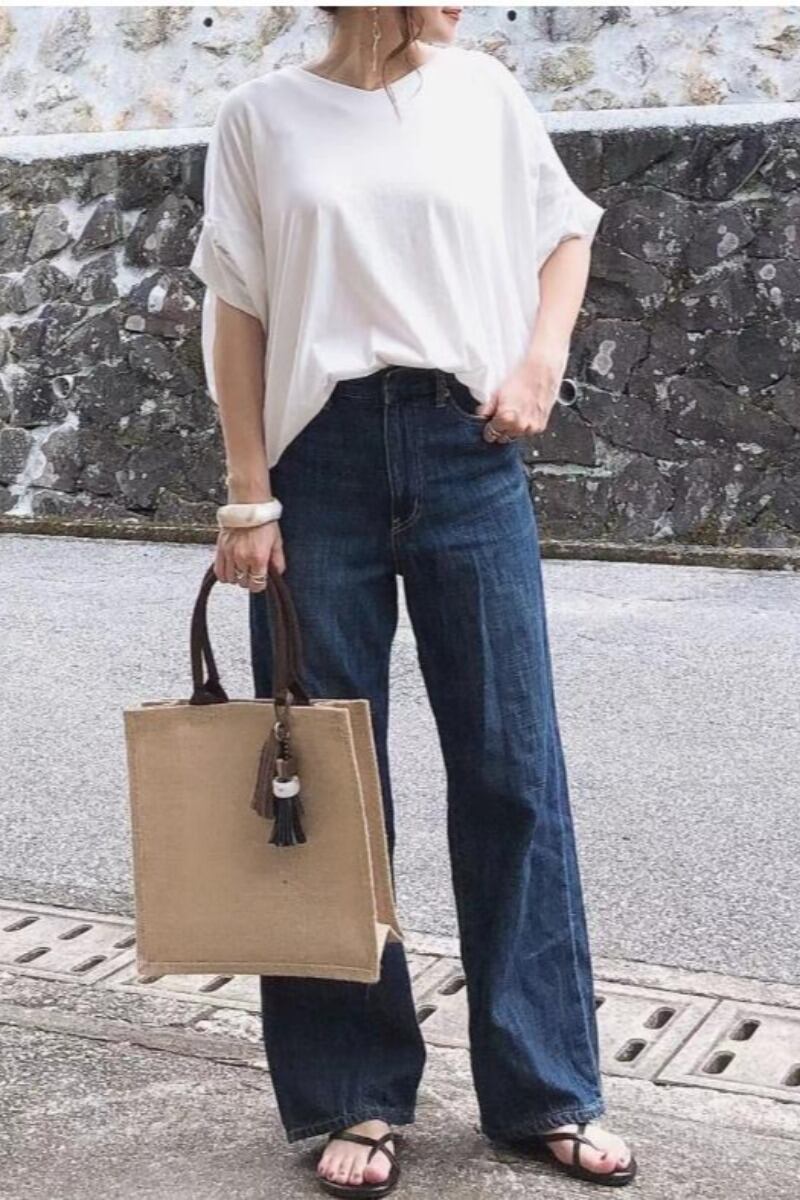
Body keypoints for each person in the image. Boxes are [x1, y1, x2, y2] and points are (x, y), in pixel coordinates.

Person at [189, 6, 637, 1196]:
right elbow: (235, 305)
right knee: (326, 788)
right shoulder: (260, 117)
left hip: (465, 450)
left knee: (510, 768)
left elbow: (562, 233)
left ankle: (544, 1088)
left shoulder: (480, 93)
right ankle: (355, 1090)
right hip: (316, 465)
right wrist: (247, 493)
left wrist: (538, 364)